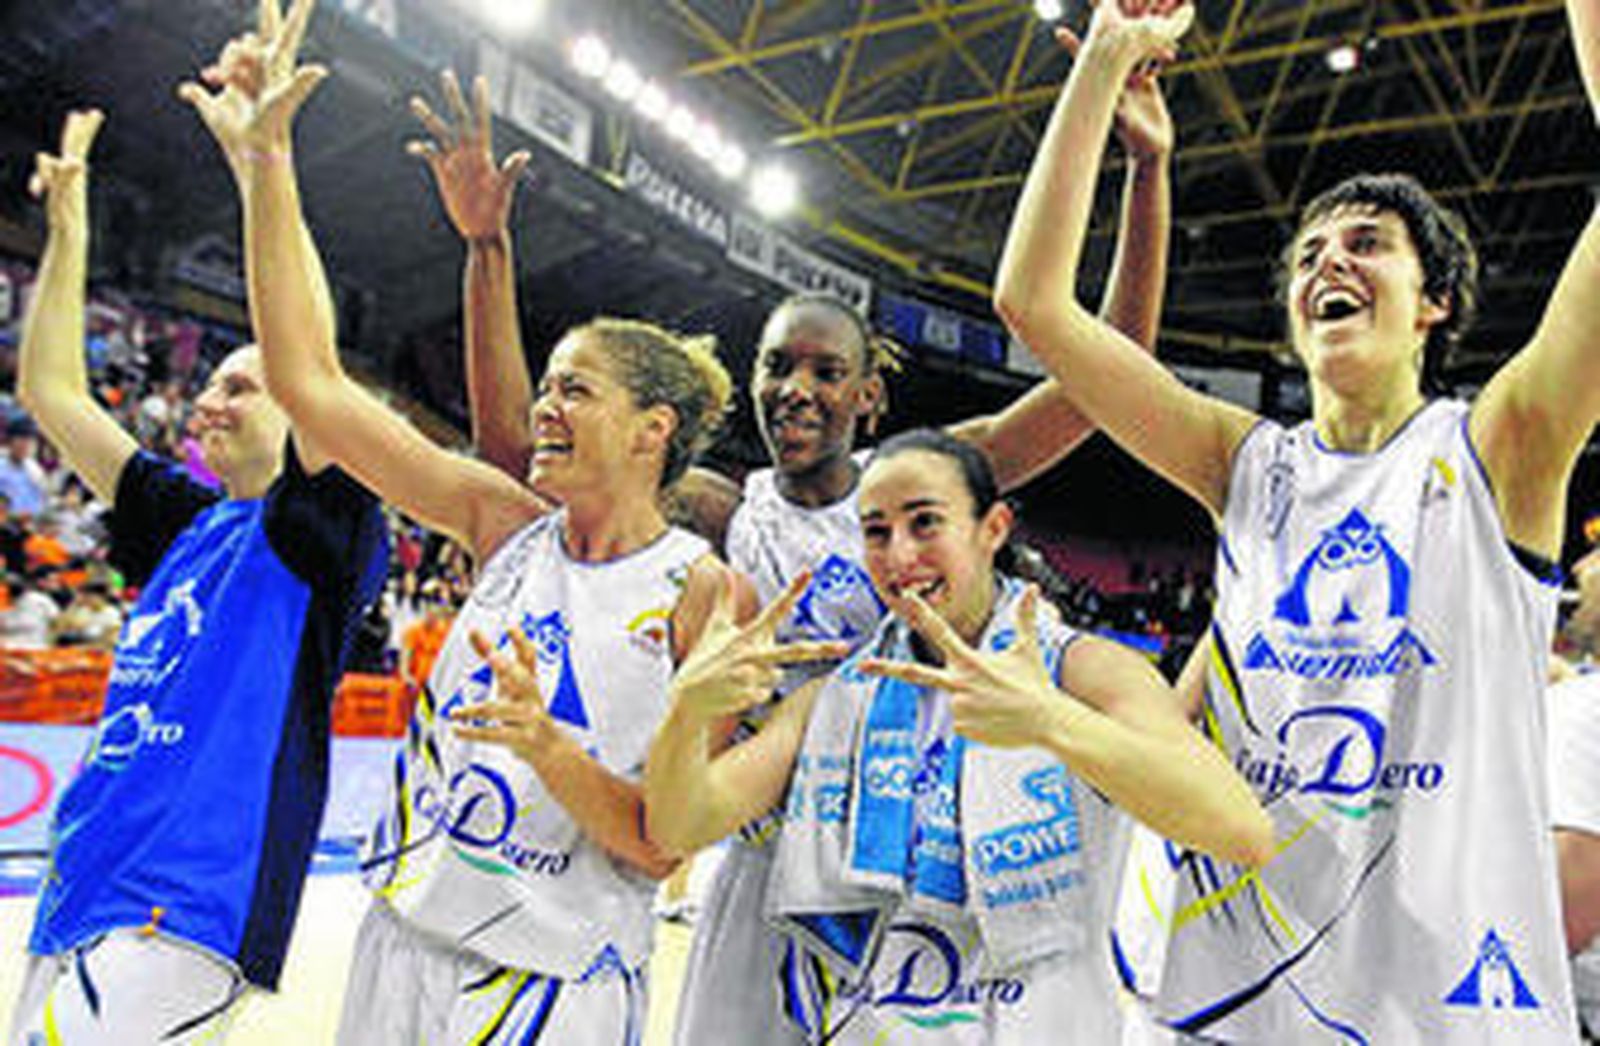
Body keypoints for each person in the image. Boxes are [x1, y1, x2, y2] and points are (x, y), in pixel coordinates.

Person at [416, 45, 1179, 1045]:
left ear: (870, 394)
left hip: (913, 866)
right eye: (779, 365)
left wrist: (1146, 173)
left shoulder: (918, 486)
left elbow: (1103, 374)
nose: (797, 389)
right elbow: (526, 456)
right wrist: (488, 251)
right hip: (766, 850)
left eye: (827, 371)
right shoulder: (723, 510)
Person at [182, 3, 832, 1039]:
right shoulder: (501, 520)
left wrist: (545, 744)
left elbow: (661, 845)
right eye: (550, 386)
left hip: (553, 983)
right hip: (403, 941)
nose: (544, 406)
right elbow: (307, 382)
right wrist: (266, 162)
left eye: (576, 389)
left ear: (650, 429)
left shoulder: (706, 592)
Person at [992, 0, 1600, 1039]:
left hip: (1445, 1011)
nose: (1328, 262)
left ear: (1434, 303)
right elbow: (1034, 302)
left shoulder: (1504, 447)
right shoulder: (1243, 463)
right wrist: (1102, 63)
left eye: (1367, 244)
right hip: (1233, 1007)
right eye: (1310, 253)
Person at [647, 428, 1272, 1041]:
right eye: (876, 531)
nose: (898, 555)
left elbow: (1238, 829)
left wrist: (1050, 723)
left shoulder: (1083, 672)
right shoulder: (834, 697)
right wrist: (686, 712)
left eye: (925, 523)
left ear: (992, 529)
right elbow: (681, 826)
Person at [7, 105, 389, 1043]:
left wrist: (266, 166)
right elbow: (48, 392)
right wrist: (69, 231)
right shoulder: (186, 520)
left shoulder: (325, 529)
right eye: (210, 382)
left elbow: (314, 368)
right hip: (83, 878)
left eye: (241, 386)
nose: (211, 402)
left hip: (187, 906)